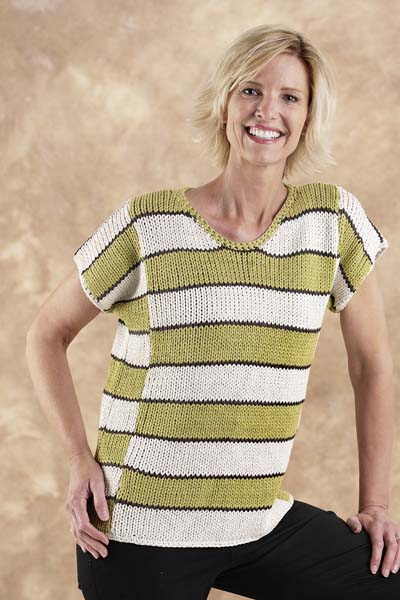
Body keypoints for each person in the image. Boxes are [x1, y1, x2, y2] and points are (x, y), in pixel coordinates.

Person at [25, 23, 399, 600]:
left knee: (384, 582)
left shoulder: (333, 224)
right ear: (225, 102)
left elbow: (371, 366)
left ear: (307, 117)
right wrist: (79, 459)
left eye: (289, 97)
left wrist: (375, 504)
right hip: (139, 526)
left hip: (257, 520)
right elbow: (46, 333)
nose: (267, 111)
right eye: (251, 90)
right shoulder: (149, 225)